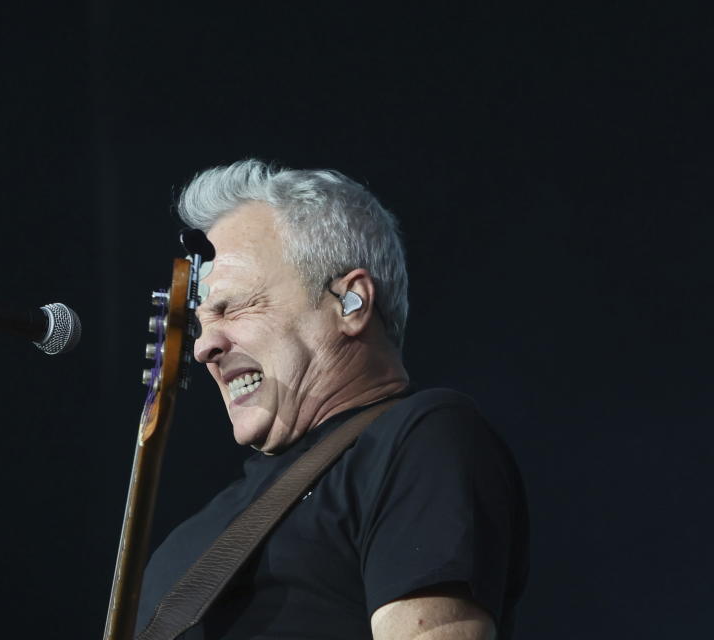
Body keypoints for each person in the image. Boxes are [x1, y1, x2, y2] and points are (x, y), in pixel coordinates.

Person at [136, 160, 529, 639]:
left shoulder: (419, 440)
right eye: (201, 324)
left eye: (233, 307)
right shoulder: (185, 543)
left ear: (352, 302)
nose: (202, 348)